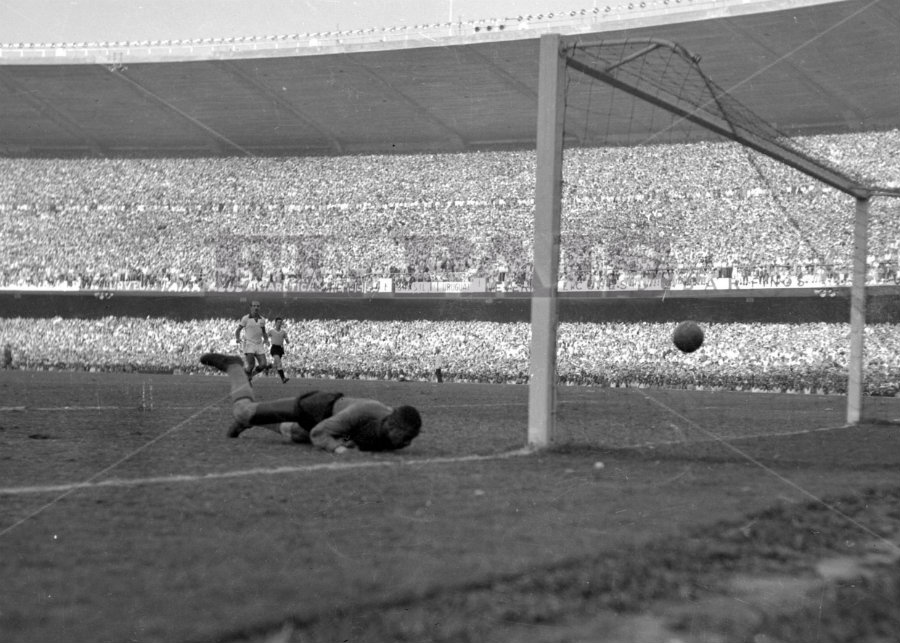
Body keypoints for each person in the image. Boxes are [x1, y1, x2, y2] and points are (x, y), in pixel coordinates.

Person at [199, 352, 422, 454]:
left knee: (296, 435)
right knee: (243, 411)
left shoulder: (393, 426)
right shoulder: (365, 412)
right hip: (316, 407)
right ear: (391, 425)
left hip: (330, 418)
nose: (406, 443)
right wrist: (340, 449)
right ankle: (234, 366)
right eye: (404, 437)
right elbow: (318, 433)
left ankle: (256, 421)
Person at [235, 300, 269, 379]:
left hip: (259, 344)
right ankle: (247, 375)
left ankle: (250, 375)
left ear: (259, 307)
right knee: (251, 365)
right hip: (249, 344)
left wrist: (266, 339)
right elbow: (238, 330)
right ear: (250, 307)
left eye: (258, 306)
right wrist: (237, 338)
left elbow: (264, 332)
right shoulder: (245, 318)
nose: (256, 307)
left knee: (263, 364)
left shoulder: (262, 319)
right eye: (254, 306)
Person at [269, 317, 290, 383]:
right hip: (274, 348)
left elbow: (287, 341)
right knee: (279, 363)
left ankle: (265, 367)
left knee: (275, 365)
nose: (279, 324)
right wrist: (265, 341)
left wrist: (287, 340)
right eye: (278, 322)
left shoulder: (283, 332)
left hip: (280, 349)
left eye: (280, 322)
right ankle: (283, 378)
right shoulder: (271, 331)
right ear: (275, 323)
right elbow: (265, 336)